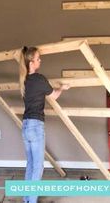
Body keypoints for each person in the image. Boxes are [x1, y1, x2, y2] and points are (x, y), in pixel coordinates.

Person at [19, 46, 69, 203]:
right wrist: (62, 87)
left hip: (26, 125)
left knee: (30, 165)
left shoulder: (24, 80)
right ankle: (31, 201)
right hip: (35, 126)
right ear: (31, 62)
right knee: (37, 167)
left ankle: (27, 199)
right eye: (38, 58)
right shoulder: (39, 79)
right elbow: (53, 96)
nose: (40, 60)